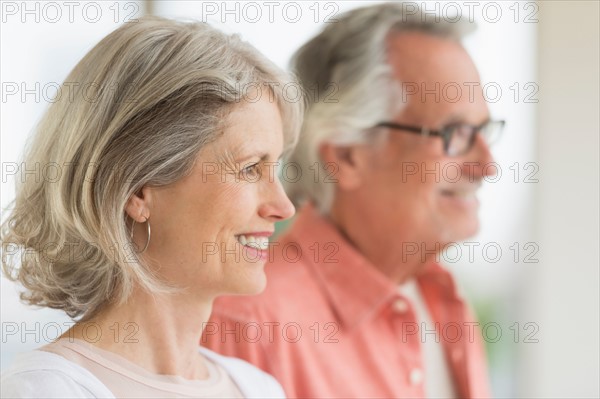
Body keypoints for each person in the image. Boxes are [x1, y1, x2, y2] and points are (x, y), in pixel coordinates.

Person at [203, 3, 504, 398]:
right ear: (346, 155)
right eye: (456, 134)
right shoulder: (249, 324)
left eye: (484, 130)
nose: (487, 165)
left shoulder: (446, 300)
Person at [1, 16, 303, 398]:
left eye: (275, 168)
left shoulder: (257, 388)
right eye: (249, 169)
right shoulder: (46, 391)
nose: (283, 207)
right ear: (137, 189)